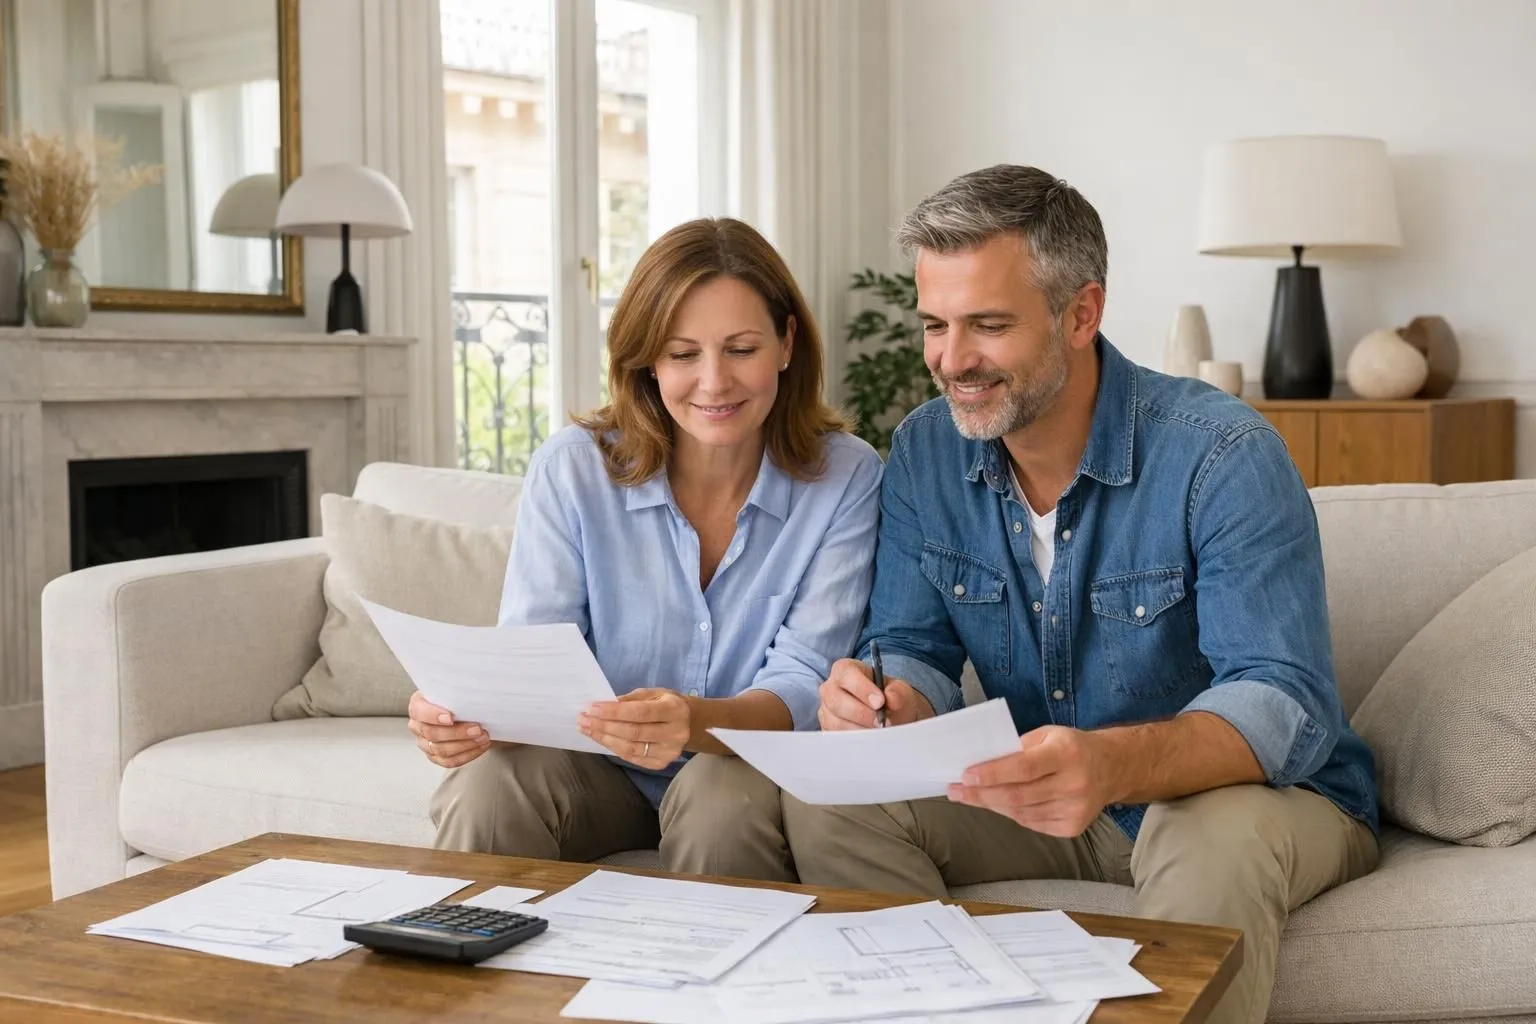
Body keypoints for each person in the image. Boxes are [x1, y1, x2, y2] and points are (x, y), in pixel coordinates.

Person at [781, 165, 1380, 1024]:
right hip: (1050, 799)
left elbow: (1283, 702)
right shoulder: (923, 451)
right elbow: (911, 645)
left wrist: (1113, 765)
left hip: (1251, 801)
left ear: (1081, 314)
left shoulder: (1221, 454)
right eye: (936, 326)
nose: (953, 361)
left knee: (1200, 833)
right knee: (835, 801)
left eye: (988, 325)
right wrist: (889, 702)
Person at [410, 217, 882, 882]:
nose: (713, 383)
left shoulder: (848, 477)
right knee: (490, 784)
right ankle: (444, 975)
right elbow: (535, 657)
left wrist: (692, 722)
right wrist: (464, 716)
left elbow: (805, 682)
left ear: (786, 343)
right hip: (591, 769)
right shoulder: (572, 469)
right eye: (683, 354)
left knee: (718, 801)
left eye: (741, 348)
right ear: (647, 360)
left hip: (739, 765)